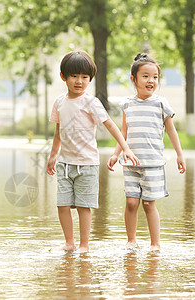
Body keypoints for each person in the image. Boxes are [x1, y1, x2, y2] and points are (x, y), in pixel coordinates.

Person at [46, 50, 139, 253]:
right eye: (74, 76)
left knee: (82, 206)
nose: (79, 81)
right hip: (65, 163)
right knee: (62, 205)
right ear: (63, 76)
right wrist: (53, 156)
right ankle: (69, 243)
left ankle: (84, 245)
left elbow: (111, 126)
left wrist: (125, 148)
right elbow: (58, 132)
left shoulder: (91, 102)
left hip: (87, 164)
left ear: (90, 79)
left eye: (85, 77)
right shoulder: (60, 102)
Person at [107, 53, 186, 252]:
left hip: (153, 163)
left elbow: (171, 130)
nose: (151, 81)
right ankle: (131, 240)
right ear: (133, 79)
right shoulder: (127, 105)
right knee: (132, 202)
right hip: (131, 163)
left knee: (149, 204)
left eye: (155, 77)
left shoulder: (161, 103)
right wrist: (116, 154)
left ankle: (155, 243)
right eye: (145, 76)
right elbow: (123, 132)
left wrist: (179, 154)